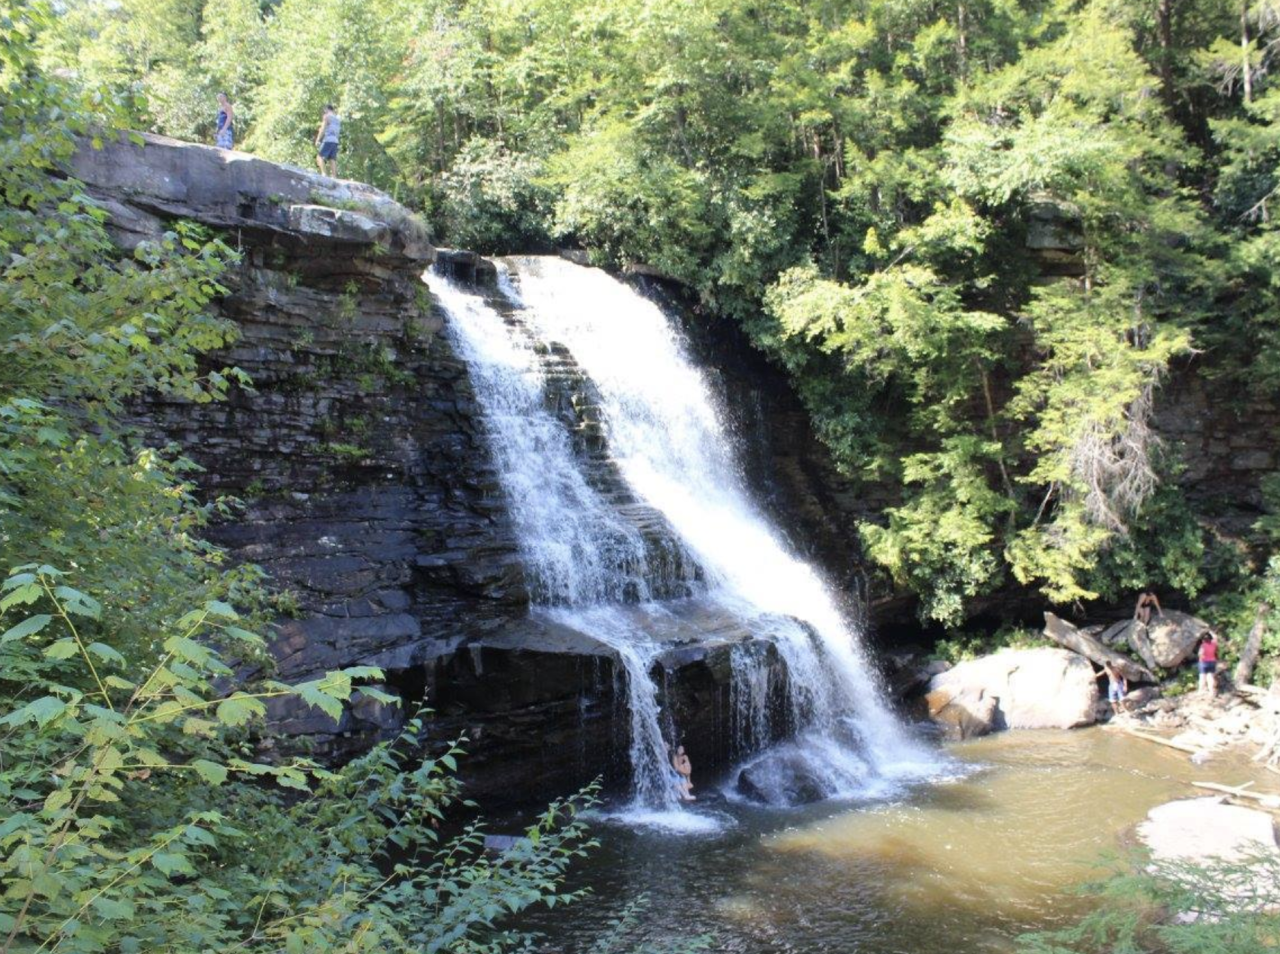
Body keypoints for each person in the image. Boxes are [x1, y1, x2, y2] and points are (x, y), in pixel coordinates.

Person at [315, 104, 341, 177]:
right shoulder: (337, 119)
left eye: (324, 110)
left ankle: (324, 174)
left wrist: (318, 139)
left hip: (328, 139)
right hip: (335, 141)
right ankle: (334, 176)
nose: (324, 111)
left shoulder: (327, 116)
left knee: (319, 157)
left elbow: (322, 129)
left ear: (326, 109)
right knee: (332, 159)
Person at [1197, 631, 1218, 697]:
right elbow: (1215, 638)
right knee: (1210, 677)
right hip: (1212, 662)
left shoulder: (1203, 646)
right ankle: (1211, 692)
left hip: (1203, 663)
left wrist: (1201, 659)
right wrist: (1211, 632)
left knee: (1202, 677)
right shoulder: (1214, 644)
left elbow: (1200, 654)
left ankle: (1201, 691)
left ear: (1203, 640)